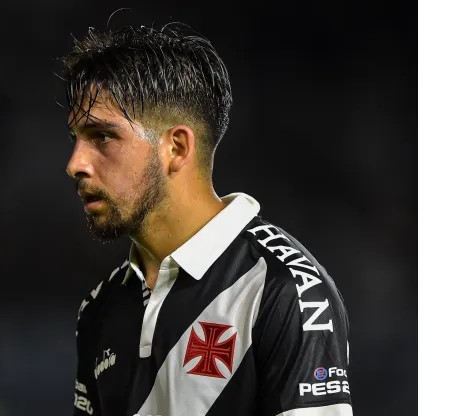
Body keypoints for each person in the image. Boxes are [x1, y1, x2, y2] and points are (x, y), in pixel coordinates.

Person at [62, 23, 352, 416]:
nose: (75, 164)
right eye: (75, 139)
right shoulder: (99, 308)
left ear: (176, 148)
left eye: (101, 137)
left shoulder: (285, 292)